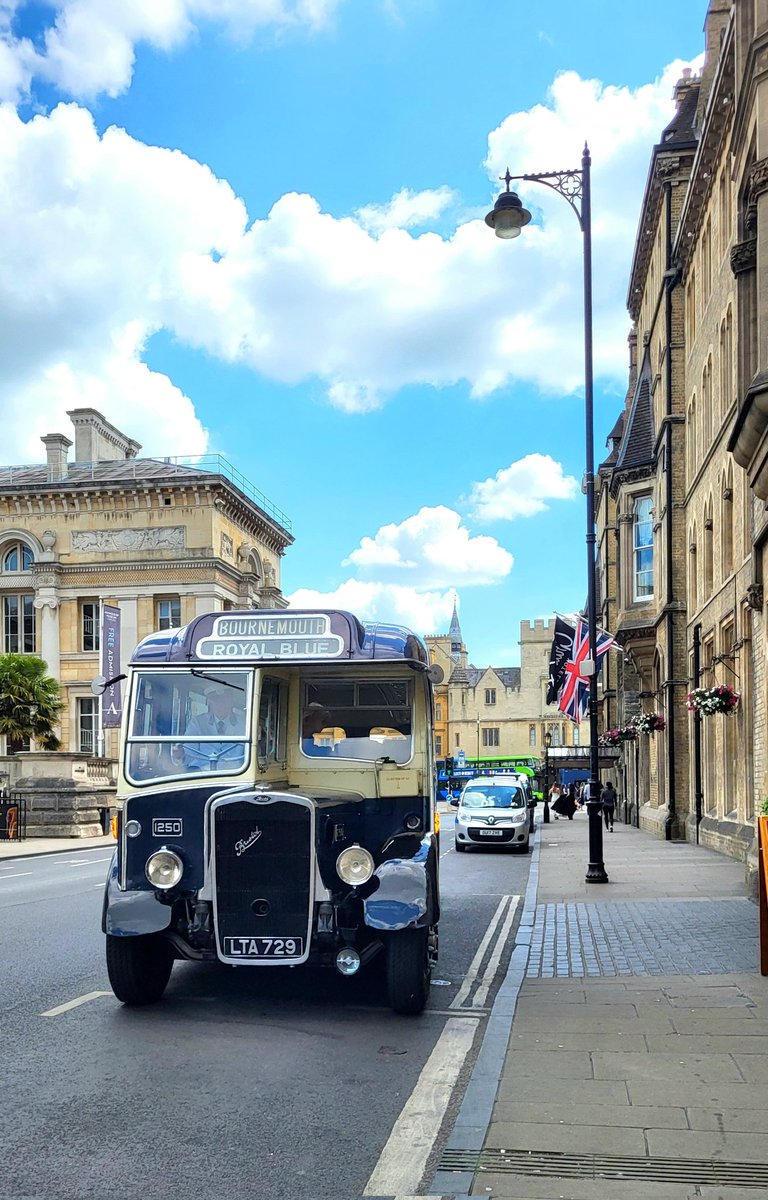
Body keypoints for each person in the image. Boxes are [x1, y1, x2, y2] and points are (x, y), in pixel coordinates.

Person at [183, 683, 246, 771]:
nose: (221, 705)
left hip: (236, 774)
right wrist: (180, 754)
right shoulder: (198, 722)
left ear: (231, 702)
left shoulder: (244, 724)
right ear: (210, 703)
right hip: (201, 774)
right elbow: (188, 753)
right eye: (216, 701)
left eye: (225, 700)